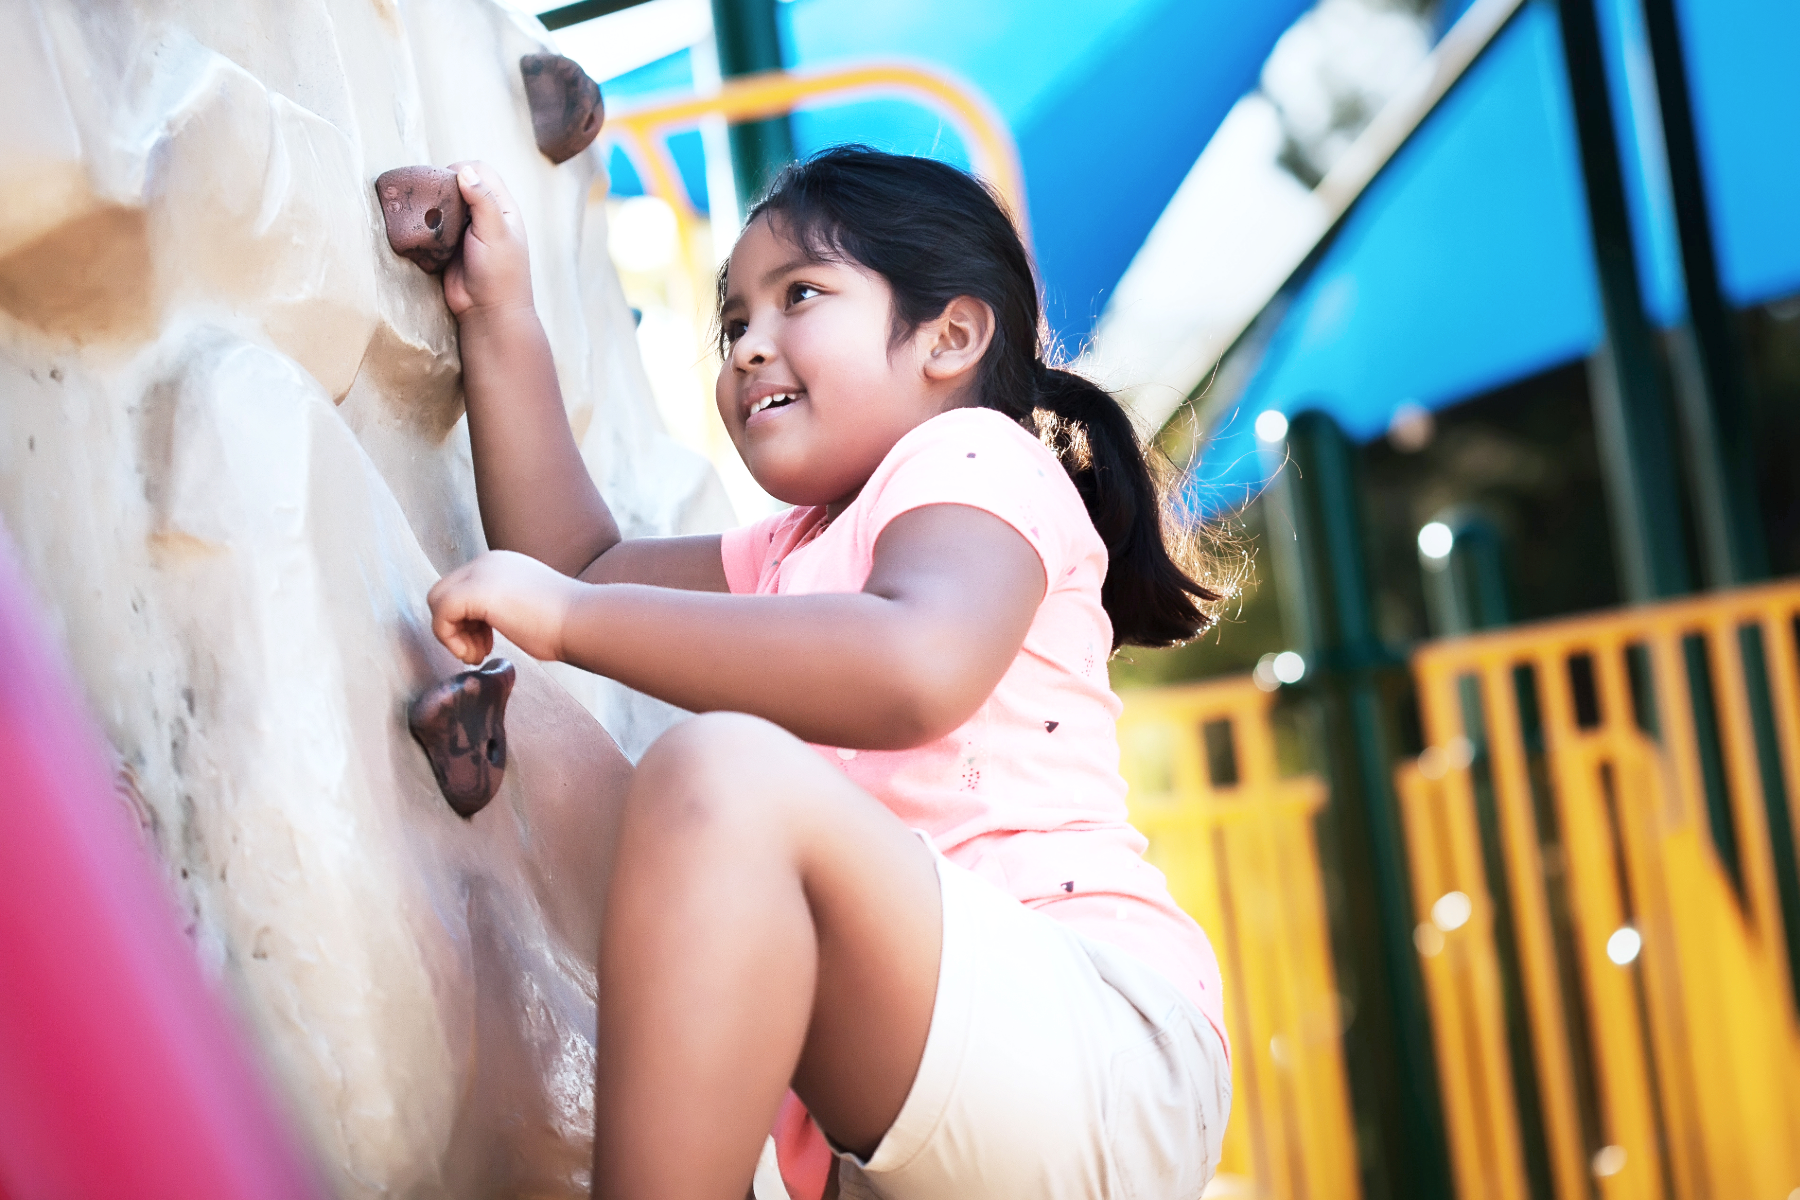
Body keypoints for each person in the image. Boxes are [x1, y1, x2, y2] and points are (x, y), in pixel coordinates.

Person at [427, 145, 1232, 1200]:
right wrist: (499, 317)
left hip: (1085, 1039)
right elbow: (577, 563)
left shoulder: (977, 459)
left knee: (716, 777)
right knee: (710, 786)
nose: (748, 347)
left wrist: (575, 620)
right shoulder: (792, 550)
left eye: (797, 295)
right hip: (910, 1115)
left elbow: (912, 665)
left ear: (950, 336)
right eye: (732, 325)